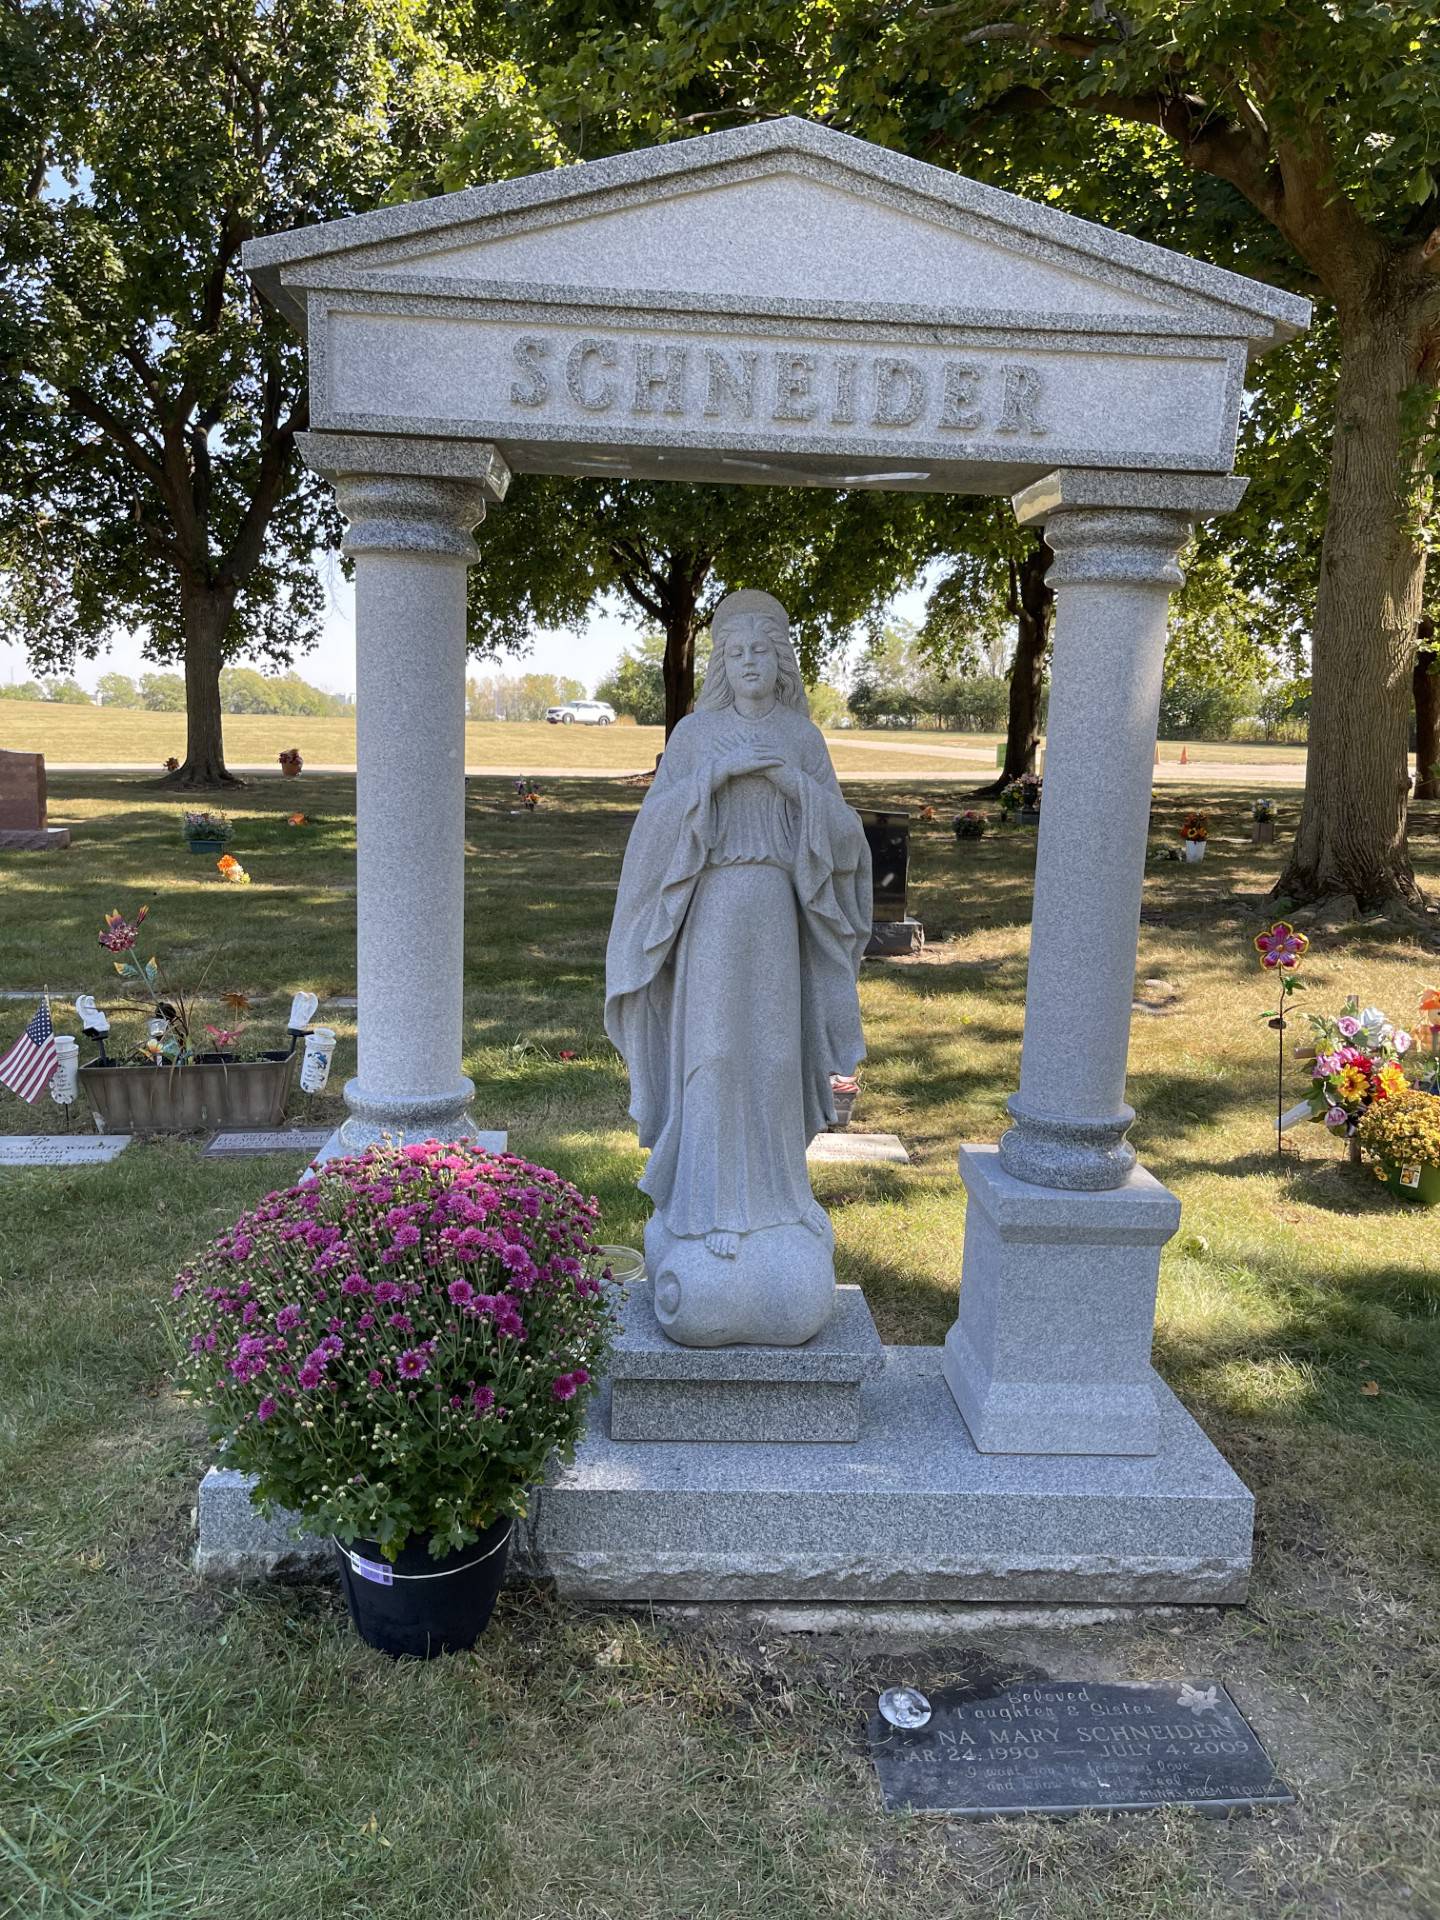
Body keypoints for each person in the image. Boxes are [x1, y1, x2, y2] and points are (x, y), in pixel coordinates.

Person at [604, 589, 871, 1345]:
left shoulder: (802, 736)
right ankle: (708, 1210)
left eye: (764, 651)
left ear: (783, 660)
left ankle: (780, 1205)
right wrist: (712, 781)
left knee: (772, 1057)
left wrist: (793, 786)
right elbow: (654, 831)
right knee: (716, 1054)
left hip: (777, 915)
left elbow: (845, 839)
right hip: (715, 913)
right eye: (738, 652)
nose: (752, 664)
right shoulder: (695, 734)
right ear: (722, 662)